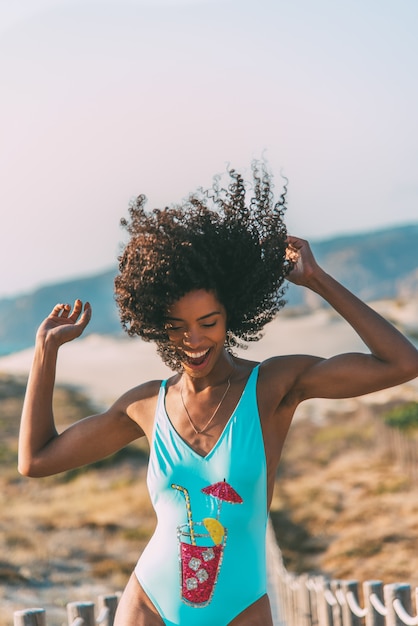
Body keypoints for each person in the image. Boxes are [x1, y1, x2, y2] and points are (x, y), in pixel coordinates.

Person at [19, 162, 418, 626]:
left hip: (241, 608)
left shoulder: (273, 387)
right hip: (149, 605)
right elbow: (37, 459)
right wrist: (45, 353)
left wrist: (317, 280)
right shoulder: (146, 404)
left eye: (208, 322)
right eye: (177, 327)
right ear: (157, 326)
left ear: (233, 314)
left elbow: (402, 363)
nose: (194, 340)